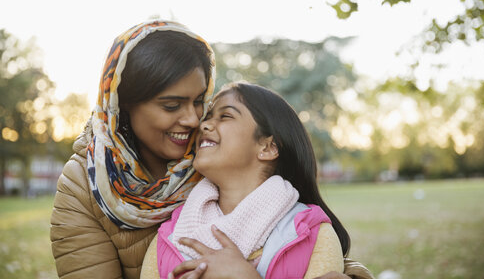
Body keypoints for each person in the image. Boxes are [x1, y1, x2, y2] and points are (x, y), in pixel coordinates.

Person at [50, 20, 373, 279]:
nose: (194, 120)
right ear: (126, 105)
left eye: (199, 101)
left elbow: (298, 239)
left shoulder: (213, 160)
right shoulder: (84, 186)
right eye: (172, 105)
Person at [140, 82, 374, 279]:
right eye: (209, 117)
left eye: (226, 116)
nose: (203, 124)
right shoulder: (169, 237)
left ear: (267, 147)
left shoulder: (311, 234)